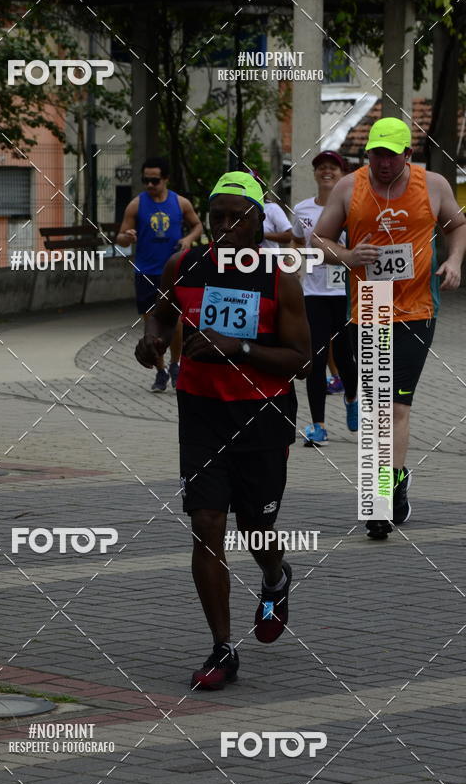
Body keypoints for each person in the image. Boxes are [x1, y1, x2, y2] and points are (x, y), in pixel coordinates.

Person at [135, 171, 311, 689]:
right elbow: (160, 316)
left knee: (256, 529)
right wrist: (151, 341)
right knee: (207, 522)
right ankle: (222, 649)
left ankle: (275, 577)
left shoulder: (280, 279)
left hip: (262, 416)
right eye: (218, 217)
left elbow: (301, 360)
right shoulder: (185, 265)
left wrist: (241, 349)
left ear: (259, 221)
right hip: (202, 413)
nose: (226, 226)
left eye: (238, 217)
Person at [311, 117, 466, 539]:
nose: (382, 163)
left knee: (397, 406)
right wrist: (347, 255)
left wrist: (454, 261)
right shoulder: (350, 188)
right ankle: (386, 492)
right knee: (380, 406)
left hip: (417, 309)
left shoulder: (433, 185)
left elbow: (457, 225)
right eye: (376, 154)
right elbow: (318, 241)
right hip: (370, 308)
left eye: (390, 156)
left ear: (408, 155)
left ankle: (385, 491)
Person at [116, 157, 202, 392]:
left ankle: (176, 364)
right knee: (151, 324)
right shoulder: (136, 205)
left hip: (173, 271)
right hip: (146, 272)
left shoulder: (180, 203)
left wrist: (188, 239)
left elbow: (197, 225)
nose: (150, 185)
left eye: (154, 180)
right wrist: (128, 237)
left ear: (165, 179)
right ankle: (160, 371)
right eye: (146, 180)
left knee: (176, 321)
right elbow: (120, 237)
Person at [291, 150, 358, 446]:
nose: (326, 171)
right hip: (314, 292)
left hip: (345, 293)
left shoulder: (354, 208)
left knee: (345, 357)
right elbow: (296, 240)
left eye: (333, 167)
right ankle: (318, 426)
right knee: (315, 360)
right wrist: (293, 261)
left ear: (343, 174)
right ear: (315, 173)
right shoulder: (302, 209)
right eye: (321, 167)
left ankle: (352, 397)